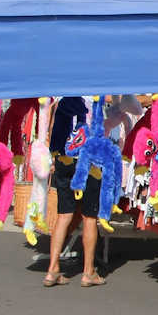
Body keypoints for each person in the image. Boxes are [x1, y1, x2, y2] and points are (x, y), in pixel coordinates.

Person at [43, 96, 107, 288]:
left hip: (64, 160)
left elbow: (52, 129)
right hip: (88, 162)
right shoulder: (94, 98)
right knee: (89, 217)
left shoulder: (62, 99)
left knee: (64, 216)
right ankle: (88, 272)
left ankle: (52, 270)